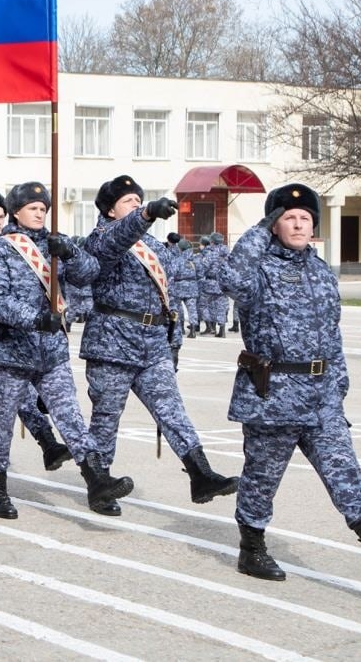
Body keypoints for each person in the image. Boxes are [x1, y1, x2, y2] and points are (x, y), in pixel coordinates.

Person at [221, 182, 361, 582]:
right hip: (274, 394)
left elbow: (331, 334)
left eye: (306, 218)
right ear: (273, 225)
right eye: (289, 218)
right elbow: (230, 280)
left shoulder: (319, 270)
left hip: (321, 395)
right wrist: (259, 230)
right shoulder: (258, 269)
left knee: (344, 469)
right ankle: (252, 549)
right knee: (262, 479)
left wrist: (338, 386)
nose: (299, 225)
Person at [81, 175, 237, 515]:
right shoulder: (100, 239)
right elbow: (116, 242)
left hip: (153, 343)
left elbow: (168, 294)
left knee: (172, 410)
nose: (136, 205)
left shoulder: (152, 245)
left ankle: (200, 473)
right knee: (107, 418)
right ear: (109, 210)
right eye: (128, 201)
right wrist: (147, 213)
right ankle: (100, 485)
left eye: (139, 200)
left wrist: (174, 341)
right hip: (112, 343)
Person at [0, 181, 132, 519]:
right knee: (3, 422)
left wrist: (70, 252)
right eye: (32, 208)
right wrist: (35, 318)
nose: (39, 213)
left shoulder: (54, 243)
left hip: (51, 352)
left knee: (70, 416)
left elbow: (89, 274)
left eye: (43, 208)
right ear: (16, 212)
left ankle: (96, 479)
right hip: (10, 351)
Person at [0, 188, 71, 486]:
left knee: (23, 395)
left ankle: (47, 441)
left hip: (8, 334)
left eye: (1, 216)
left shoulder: (18, 245)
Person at [171, 239, 200, 339]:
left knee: (178, 309)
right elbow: (201, 274)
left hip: (179, 287)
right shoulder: (196, 259)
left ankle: (181, 328)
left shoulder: (177, 260)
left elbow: (173, 273)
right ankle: (193, 330)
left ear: (180, 248)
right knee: (192, 309)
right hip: (192, 286)